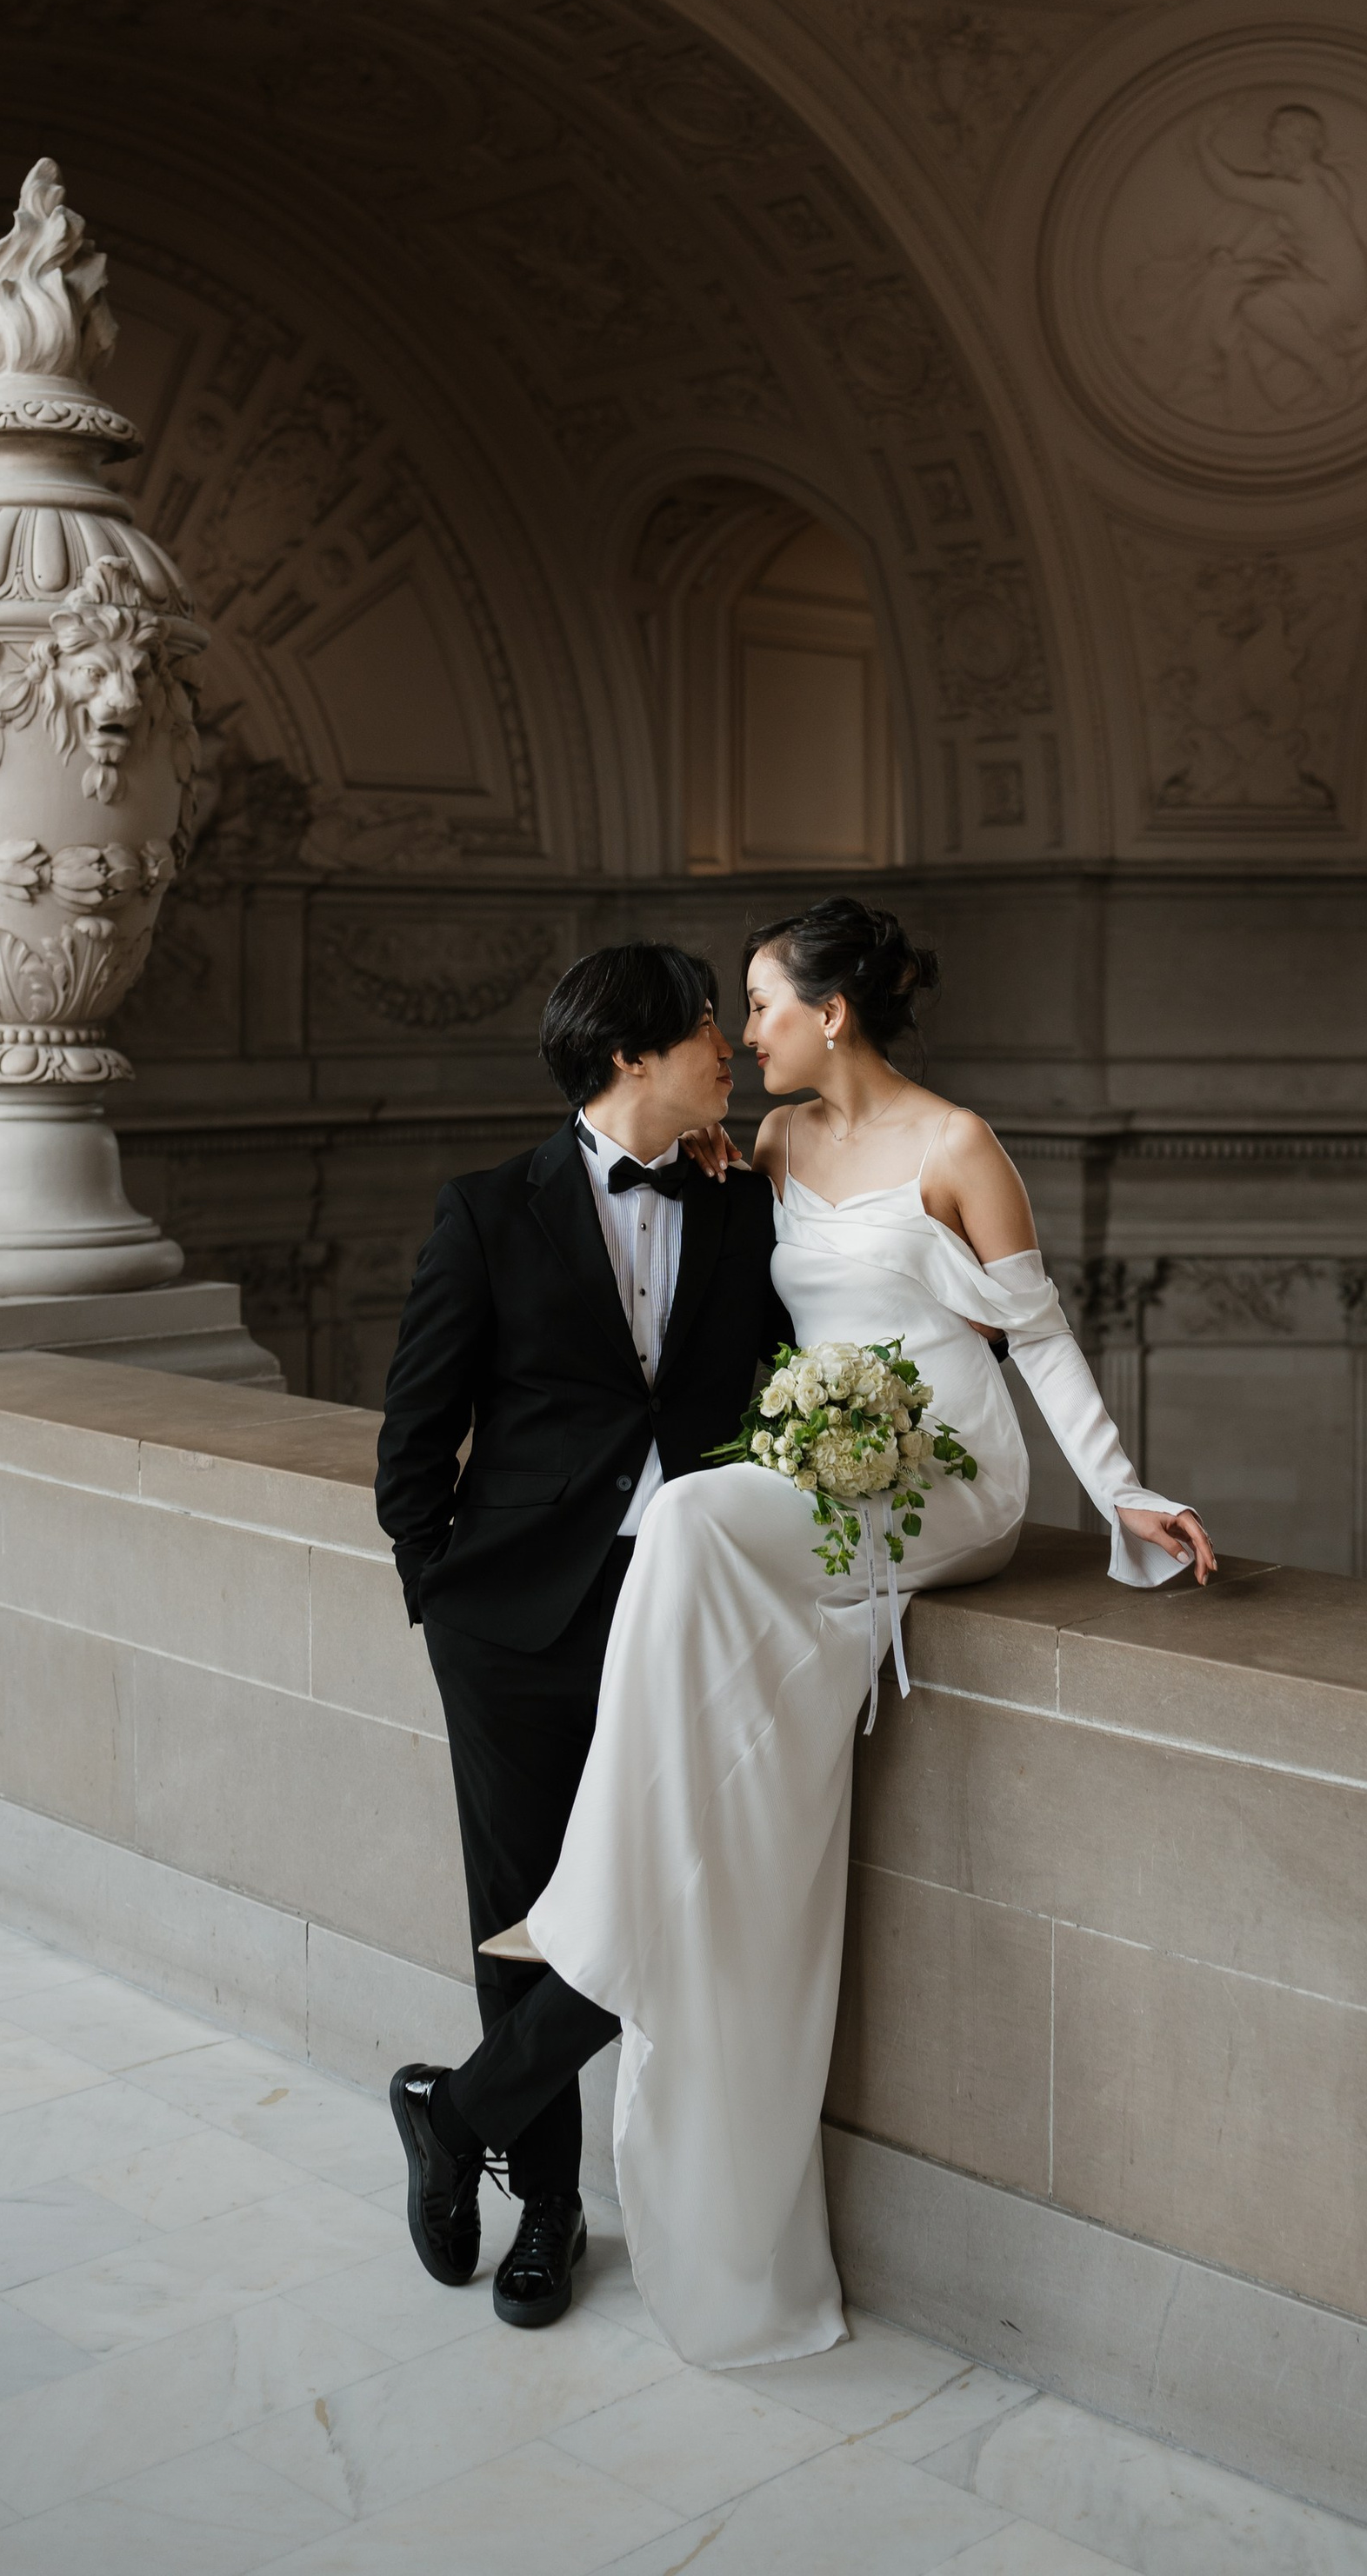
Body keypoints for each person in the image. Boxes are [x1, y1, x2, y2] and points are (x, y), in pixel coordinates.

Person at [521, 895, 1216, 2369]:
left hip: (946, 1480)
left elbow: (1039, 1339)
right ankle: (631, 1877)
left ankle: (591, 1895)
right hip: (817, 1471)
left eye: (762, 1004)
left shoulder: (960, 1147)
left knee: (698, 1522)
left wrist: (1125, 1496)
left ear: (831, 1012)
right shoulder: (765, 1148)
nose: (743, 1030)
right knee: (699, 1527)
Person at [375, 941, 786, 2331]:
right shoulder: (489, 1211)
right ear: (631, 1056)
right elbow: (415, 1435)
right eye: (706, 1031)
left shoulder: (744, 1205)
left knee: (668, 1895)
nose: (728, 1048)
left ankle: (454, 2110)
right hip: (511, 1627)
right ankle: (544, 2212)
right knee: (523, 1929)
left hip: (688, 1612)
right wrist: (440, 1592)